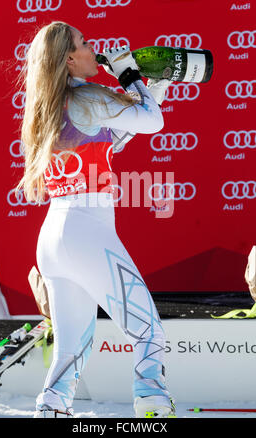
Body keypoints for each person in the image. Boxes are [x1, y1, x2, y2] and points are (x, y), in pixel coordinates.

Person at [17, 21, 175, 419]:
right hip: (86, 228)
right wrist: (129, 76)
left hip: (55, 233)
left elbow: (115, 136)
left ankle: (51, 409)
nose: (93, 50)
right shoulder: (86, 94)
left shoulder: (52, 103)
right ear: (69, 59)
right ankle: (154, 407)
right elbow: (151, 121)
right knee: (148, 331)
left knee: (70, 352)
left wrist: (148, 89)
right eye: (85, 45)